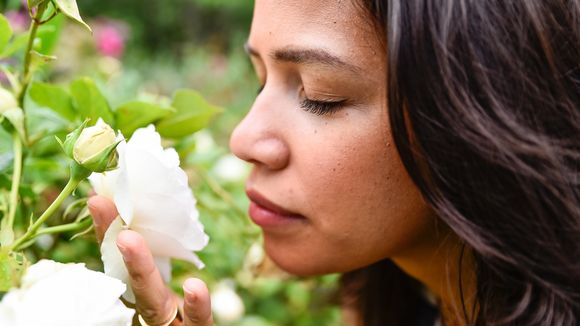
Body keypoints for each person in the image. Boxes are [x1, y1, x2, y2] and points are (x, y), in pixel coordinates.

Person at [88, 0, 580, 325]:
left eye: (319, 96)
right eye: (260, 79)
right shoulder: (403, 300)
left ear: (478, 110)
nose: (242, 139)